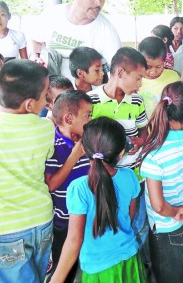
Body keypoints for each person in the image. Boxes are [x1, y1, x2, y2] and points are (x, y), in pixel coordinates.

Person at [49, 117, 147, 283]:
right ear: (121, 152)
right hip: (129, 258)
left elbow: (74, 239)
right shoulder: (130, 176)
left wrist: (56, 279)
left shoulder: (79, 187)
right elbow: (130, 216)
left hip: (98, 268)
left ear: (84, 151)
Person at [140, 81, 183, 283]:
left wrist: (175, 212)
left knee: (169, 276)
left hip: (169, 225)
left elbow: (158, 205)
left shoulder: (154, 155)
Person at [0, 59, 55, 282]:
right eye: (45, 95)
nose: (48, 99)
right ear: (30, 105)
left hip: (7, 228)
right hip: (42, 220)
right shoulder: (46, 128)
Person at [31, 0, 121, 78]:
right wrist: (36, 56)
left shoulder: (107, 31)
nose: (99, 2)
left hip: (86, 93)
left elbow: (116, 69)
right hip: (50, 88)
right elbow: (37, 40)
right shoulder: (51, 15)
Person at [45, 90, 93, 281]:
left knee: (82, 264)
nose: (90, 120)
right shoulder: (54, 145)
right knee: (63, 266)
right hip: (64, 222)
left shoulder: (85, 140)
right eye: (87, 115)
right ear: (68, 118)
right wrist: (74, 156)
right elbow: (51, 184)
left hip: (87, 216)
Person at [88, 47, 148, 157]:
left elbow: (143, 128)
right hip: (101, 170)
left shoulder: (137, 101)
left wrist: (141, 141)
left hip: (130, 167)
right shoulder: (89, 101)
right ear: (120, 72)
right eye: (138, 78)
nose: (140, 85)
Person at [138, 36, 180, 118]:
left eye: (158, 66)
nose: (153, 72)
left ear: (164, 61)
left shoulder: (173, 78)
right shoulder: (135, 79)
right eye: (148, 67)